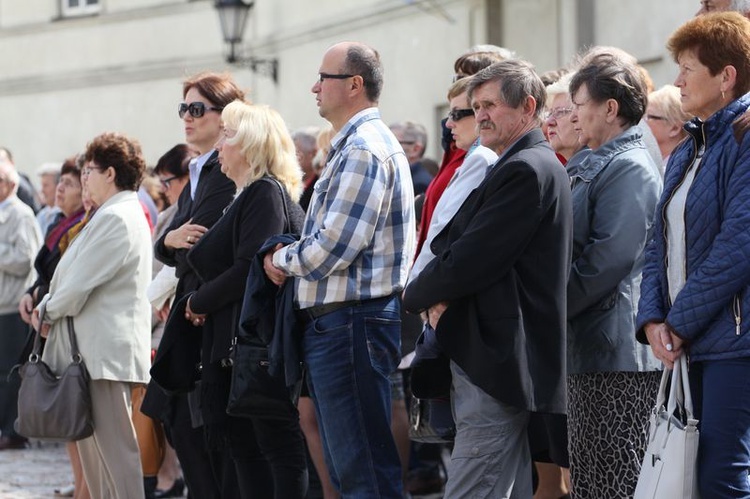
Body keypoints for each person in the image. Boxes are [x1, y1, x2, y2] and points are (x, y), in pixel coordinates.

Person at [403, 59, 573, 498]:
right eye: (475, 106)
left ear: (528, 106)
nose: (480, 115)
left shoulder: (526, 168)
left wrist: (416, 295)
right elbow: (452, 242)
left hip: (496, 357)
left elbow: (469, 259)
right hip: (492, 354)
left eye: (491, 105)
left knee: (471, 487)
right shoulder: (513, 163)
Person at [263, 41, 414, 497]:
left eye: (323, 78)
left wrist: (279, 260)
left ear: (354, 85)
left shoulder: (364, 149)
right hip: (345, 323)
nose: (314, 87)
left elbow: (332, 248)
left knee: (363, 470)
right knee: (353, 469)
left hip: (352, 322)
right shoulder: (355, 145)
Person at [638, 12, 750, 497]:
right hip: (687, 339)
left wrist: (677, 324)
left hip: (735, 342)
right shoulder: (689, 147)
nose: (677, 80)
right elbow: (656, 242)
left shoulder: (744, 136)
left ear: (726, 77)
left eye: (688, 68)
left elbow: (740, 242)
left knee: (719, 476)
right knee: (685, 476)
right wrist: (651, 319)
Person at [183, 101, 307, 498]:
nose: (219, 145)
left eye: (228, 134)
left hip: (255, 345)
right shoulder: (244, 195)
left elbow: (248, 267)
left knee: (275, 447)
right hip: (234, 345)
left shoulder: (264, 192)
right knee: (246, 451)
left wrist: (198, 301)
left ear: (252, 143)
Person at [30, 132, 152, 498]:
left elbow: (77, 283)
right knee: (97, 464)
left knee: (117, 458)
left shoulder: (118, 216)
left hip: (105, 355)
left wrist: (45, 309)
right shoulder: (109, 214)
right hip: (91, 354)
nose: (84, 178)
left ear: (110, 173)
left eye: (89, 171)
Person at [564, 50, 663, 498]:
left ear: (610, 108)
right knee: (591, 474)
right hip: (591, 343)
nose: (572, 114)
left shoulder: (629, 167)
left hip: (617, 351)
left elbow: (608, 260)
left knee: (617, 477)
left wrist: (553, 306)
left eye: (579, 103)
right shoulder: (593, 161)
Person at [145, 71, 245, 499]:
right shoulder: (198, 168)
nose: (187, 117)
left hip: (214, 317)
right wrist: (168, 241)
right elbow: (171, 243)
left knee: (210, 440)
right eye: (183, 108)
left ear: (225, 116)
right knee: (180, 424)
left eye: (197, 108)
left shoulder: (227, 169)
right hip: (189, 314)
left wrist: (174, 245)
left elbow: (204, 246)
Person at [18, 157, 87, 498]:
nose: (59, 189)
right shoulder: (57, 224)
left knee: (75, 409)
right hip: (45, 313)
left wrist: (44, 306)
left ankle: (87, 486)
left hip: (63, 322)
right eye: (59, 183)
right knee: (67, 413)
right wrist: (31, 295)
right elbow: (44, 273)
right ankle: (79, 482)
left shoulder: (83, 227)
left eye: (69, 184)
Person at [0, 160, 42, 451]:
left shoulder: (21, 214)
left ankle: (12, 431)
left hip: (14, 307)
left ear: (10, 184)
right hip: (2, 306)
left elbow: (24, 259)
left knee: (11, 372)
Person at [645, 85, 691, 169]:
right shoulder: (650, 161)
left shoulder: (679, 169)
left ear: (674, 128)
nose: (642, 122)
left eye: (649, 117)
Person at [389, 121, 436, 195]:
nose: (385, 148)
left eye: (392, 142)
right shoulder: (404, 178)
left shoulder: (419, 184)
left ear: (415, 149)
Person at [291, 127, 320, 212]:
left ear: (313, 154)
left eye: (297, 154)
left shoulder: (319, 186)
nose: (293, 159)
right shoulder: (288, 184)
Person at [35, 162, 62, 235]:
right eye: (42, 185)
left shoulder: (64, 216)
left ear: (59, 187)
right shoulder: (41, 215)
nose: (42, 190)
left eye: (46, 185)